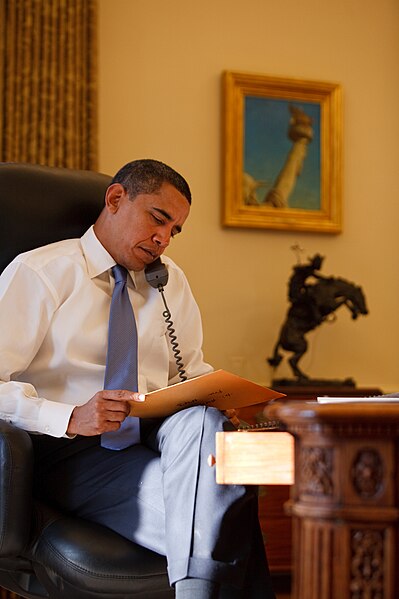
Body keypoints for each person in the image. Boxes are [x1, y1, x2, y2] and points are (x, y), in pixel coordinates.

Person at [0, 159, 276, 599]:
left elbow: (188, 371)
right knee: (222, 513)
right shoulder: (40, 273)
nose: (164, 239)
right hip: (70, 450)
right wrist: (70, 415)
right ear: (115, 199)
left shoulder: (170, 283)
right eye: (158, 219)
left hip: (158, 437)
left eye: (175, 230)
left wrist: (231, 398)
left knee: (205, 424)